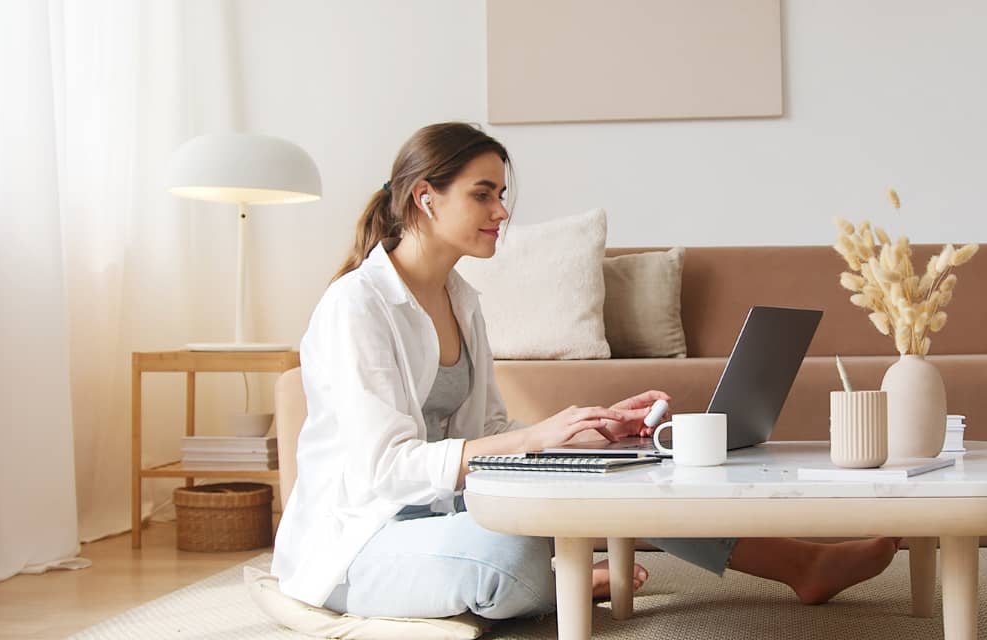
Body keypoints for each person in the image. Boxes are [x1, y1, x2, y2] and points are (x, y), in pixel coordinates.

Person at [271, 122, 899, 621]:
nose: (501, 210)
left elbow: (488, 428)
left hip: (445, 508)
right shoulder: (358, 305)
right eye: (482, 194)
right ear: (424, 197)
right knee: (511, 549)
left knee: (626, 476)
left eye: (502, 194)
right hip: (362, 539)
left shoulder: (462, 299)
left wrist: (582, 434)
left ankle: (801, 564)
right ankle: (560, 580)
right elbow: (384, 470)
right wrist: (534, 439)